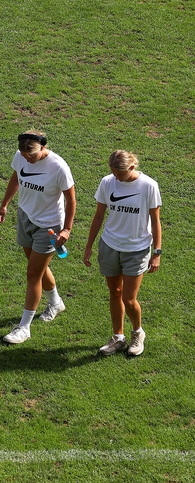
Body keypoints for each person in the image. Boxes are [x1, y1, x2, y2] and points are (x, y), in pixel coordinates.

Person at [0, 130, 75, 344]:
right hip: (25, 217)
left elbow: (71, 199)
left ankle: (24, 328)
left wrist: (66, 229)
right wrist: (5, 204)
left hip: (48, 226)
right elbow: (16, 178)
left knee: (33, 274)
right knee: (36, 266)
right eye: (24, 156)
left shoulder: (58, 167)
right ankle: (56, 303)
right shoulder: (20, 156)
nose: (27, 160)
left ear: (42, 147)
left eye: (31, 156)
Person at [83, 150, 162, 357]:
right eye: (113, 173)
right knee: (114, 292)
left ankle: (137, 332)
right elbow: (99, 215)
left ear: (132, 167)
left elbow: (155, 221)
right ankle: (118, 337)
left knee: (129, 298)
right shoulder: (108, 182)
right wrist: (89, 245)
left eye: (120, 174)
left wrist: (157, 252)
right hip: (110, 245)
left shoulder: (148, 186)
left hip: (136, 250)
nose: (116, 177)